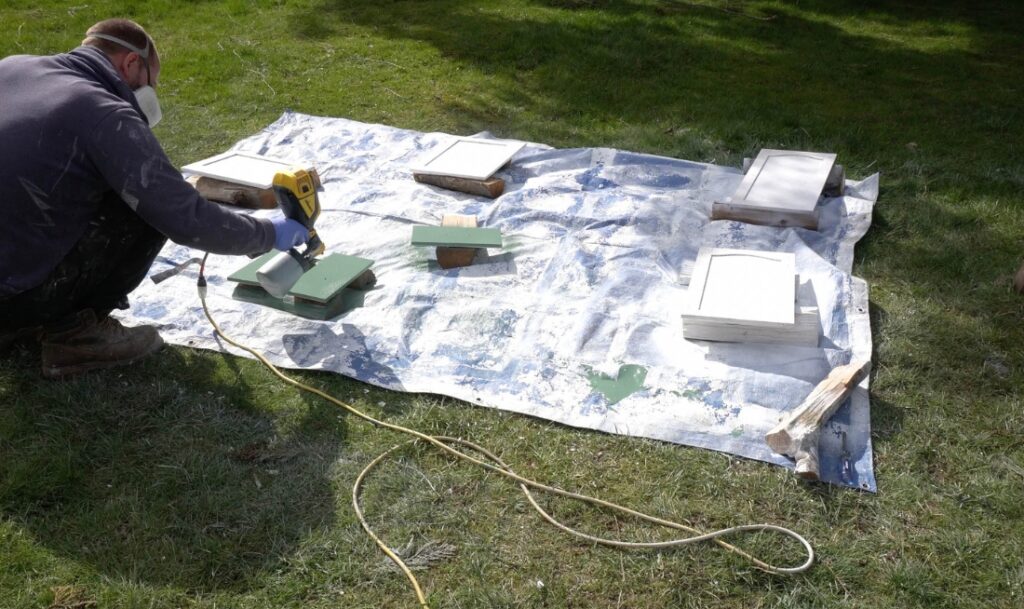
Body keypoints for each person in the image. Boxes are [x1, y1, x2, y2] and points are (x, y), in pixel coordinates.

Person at [0, 18, 309, 378]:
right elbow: (183, 216)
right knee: (141, 205)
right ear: (131, 63)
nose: (150, 91)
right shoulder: (103, 112)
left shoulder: (11, 67)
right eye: (151, 81)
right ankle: (75, 334)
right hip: (17, 295)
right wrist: (269, 234)